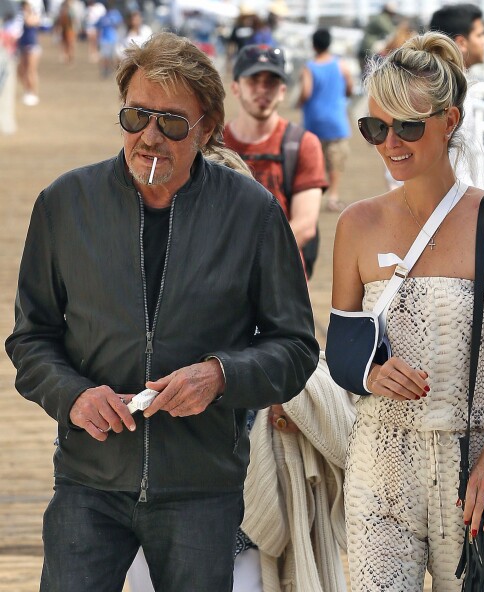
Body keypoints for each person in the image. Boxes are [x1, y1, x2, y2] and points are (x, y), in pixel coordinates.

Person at [5, 30, 319, 592]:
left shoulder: (252, 213)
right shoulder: (63, 204)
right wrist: (73, 396)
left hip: (201, 488)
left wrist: (221, 376)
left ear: (207, 129)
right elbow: (31, 340)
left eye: (172, 122)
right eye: (135, 117)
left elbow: (295, 347)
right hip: (87, 480)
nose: (150, 136)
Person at [329, 31, 484, 591]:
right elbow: (340, 347)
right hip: (381, 469)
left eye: (409, 126)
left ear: (450, 120)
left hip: (480, 470)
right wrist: (372, 371)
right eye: (376, 128)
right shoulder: (357, 225)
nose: (391, 143)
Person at [224, 44, 326, 279]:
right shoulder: (215, 145)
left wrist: (248, 259)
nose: (262, 89)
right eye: (253, 80)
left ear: (282, 90)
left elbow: (305, 225)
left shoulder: (302, 144)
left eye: (271, 81)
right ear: (236, 88)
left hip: (283, 276)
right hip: (225, 278)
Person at [429, 3, 484, 186]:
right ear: (461, 43)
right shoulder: (450, 89)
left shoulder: (434, 81)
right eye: (479, 35)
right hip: (455, 194)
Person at [298, 28, 353, 212]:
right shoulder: (340, 64)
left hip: (314, 121)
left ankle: (314, 197)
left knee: (315, 162)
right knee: (335, 162)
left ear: (314, 45)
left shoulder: (309, 67)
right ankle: (333, 196)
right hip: (336, 122)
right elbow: (350, 86)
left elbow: (306, 91)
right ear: (329, 44)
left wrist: (299, 102)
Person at [357, 1, 397, 74]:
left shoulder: (382, 18)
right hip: (370, 45)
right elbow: (391, 31)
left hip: (368, 45)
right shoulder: (381, 19)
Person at [16, 0, 41, 106]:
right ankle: (27, 90)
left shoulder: (33, 15)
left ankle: (33, 93)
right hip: (22, 45)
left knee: (31, 70)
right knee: (21, 70)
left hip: (32, 45)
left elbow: (30, 22)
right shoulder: (18, 17)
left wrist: (25, 14)